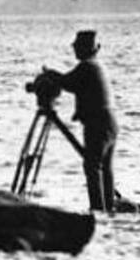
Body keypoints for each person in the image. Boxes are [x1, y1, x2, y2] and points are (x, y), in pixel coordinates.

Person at [44, 30, 118, 212]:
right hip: (109, 122)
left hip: (97, 123)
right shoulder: (97, 65)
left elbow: (68, 82)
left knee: (93, 167)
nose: (74, 49)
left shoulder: (87, 67)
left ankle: (98, 210)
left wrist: (50, 75)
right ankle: (108, 208)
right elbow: (70, 82)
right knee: (104, 167)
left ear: (85, 49)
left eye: (77, 46)